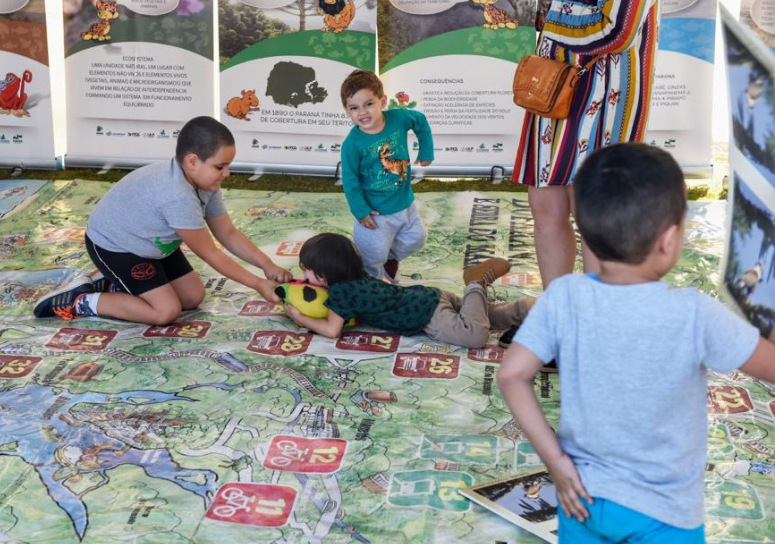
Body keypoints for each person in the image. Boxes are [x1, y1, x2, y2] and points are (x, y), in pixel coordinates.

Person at [497, 144, 775, 544]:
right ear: (669, 239)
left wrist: (556, 462)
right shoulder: (695, 314)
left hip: (581, 498)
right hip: (665, 514)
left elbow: (510, 376)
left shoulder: (563, 296)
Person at [33, 116, 292, 325]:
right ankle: (80, 300)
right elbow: (211, 253)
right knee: (165, 312)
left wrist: (266, 265)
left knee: (192, 297)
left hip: (151, 244)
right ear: (192, 161)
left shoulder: (205, 183)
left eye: (228, 166)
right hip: (115, 247)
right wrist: (258, 284)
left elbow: (228, 233)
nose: (227, 173)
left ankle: (114, 284)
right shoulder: (177, 196)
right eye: (220, 166)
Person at [512, 0, 659, 287]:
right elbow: (539, 15)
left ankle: (596, 308)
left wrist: (553, 14)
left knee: (593, 209)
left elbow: (618, 31)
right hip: (554, 84)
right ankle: (558, 304)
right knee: (545, 202)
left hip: (607, 94)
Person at [284, 233, 532, 348]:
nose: (305, 276)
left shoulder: (340, 293)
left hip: (425, 315)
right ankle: (521, 310)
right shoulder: (358, 275)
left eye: (307, 270)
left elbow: (332, 330)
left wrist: (300, 318)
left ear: (324, 273)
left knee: (474, 335)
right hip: (427, 296)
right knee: (481, 314)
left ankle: (475, 283)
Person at [340, 70, 434, 282]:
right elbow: (350, 180)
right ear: (347, 110)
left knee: (417, 238)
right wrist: (360, 210)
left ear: (382, 101)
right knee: (373, 255)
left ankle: (391, 260)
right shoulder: (351, 145)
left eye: (369, 104)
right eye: (354, 108)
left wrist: (426, 150)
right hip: (374, 213)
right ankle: (372, 285)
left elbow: (420, 121)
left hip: (404, 203)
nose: (362, 113)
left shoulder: (399, 118)